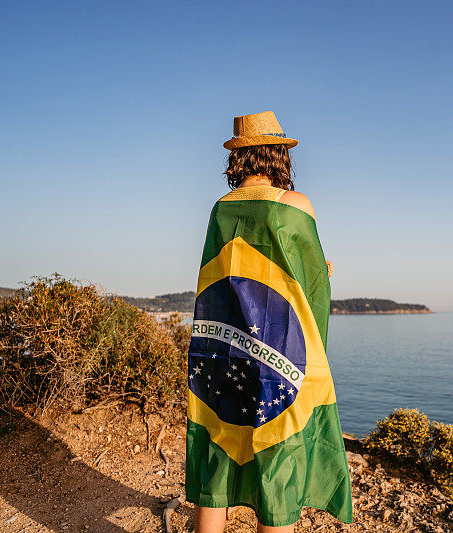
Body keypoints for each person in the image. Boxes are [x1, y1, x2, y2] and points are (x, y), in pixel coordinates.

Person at [186, 111, 353, 533]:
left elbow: (219, 277)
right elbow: (310, 285)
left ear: (238, 158)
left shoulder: (219, 209)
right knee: (279, 464)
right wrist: (323, 272)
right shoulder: (295, 205)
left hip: (222, 351)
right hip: (281, 355)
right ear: (279, 154)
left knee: (219, 456)